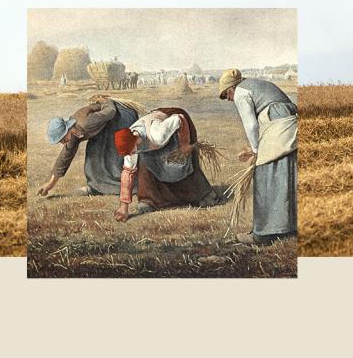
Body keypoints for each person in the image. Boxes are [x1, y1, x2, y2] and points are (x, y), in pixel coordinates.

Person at [218, 68, 297, 245]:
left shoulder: (240, 92)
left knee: (264, 175)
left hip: (278, 125)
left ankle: (264, 234)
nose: (229, 99)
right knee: (287, 172)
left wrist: (256, 151)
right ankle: (289, 227)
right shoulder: (258, 84)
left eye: (227, 95)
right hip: (289, 123)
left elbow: (252, 126)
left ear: (231, 89)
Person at [112, 108, 219, 222]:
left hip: (176, 127)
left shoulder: (158, 134)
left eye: (131, 151)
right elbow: (128, 173)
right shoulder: (130, 144)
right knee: (145, 164)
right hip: (153, 136)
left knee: (181, 164)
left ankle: (205, 195)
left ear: (136, 141)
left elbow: (179, 119)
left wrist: (184, 144)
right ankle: (149, 201)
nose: (131, 154)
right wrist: (124, 207)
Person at [37, 95, 139, 197]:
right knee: (93, 154)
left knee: (115, 152)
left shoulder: (86, 123)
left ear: (67, 129)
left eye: (63, 139)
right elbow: (65, 156)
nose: (63, 143)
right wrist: (50, 184)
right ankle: (96, 187)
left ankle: (128, 186)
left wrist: (106, 101)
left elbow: (110, 111)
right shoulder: (73, 133)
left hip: (121, 116)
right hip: (105, 125)